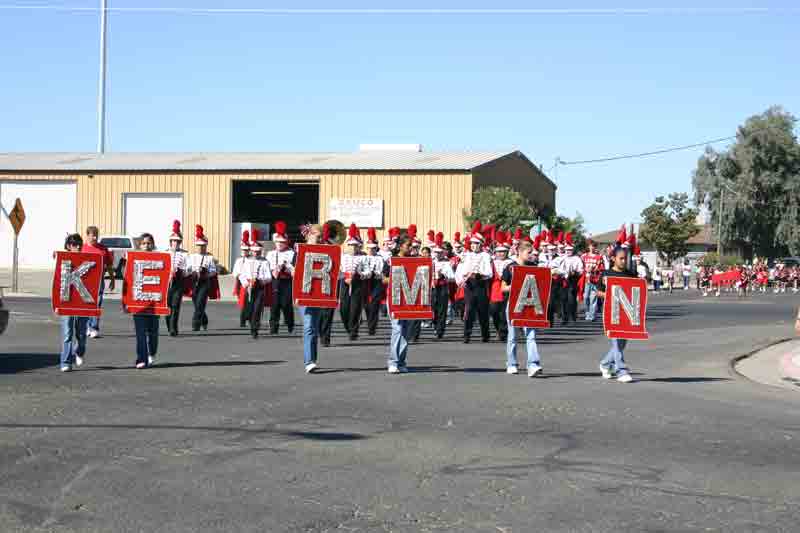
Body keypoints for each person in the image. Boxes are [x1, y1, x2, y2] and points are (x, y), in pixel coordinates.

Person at [596, 246, 638, 383]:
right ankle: (622, 371)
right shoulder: (606, 274)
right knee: (615, 341)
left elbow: (636, 292)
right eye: (621, 258)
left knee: (620, 344)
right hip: (611, 312)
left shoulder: (631, 274)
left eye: (625, 258)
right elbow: (598, 292)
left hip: (626, 312)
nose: (624, 261)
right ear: (613, 259)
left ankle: (605, 364)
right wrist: (611, 295)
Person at [502, 240, 543, 377]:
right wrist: (516, 285)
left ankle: (533, 364)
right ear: (519, 251)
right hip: (514, 304)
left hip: (530, 305)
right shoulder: (509, 267)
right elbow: (503, 288)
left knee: (531, 335)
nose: (531, 255)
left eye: (532, 252)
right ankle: (511, 364)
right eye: (529, 252)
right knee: (513, 336)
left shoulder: (534, 266)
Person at [296, 224, 328, 373]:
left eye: (321, 236)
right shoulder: (299, 251)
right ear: (309, 235)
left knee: (314, 328)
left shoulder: (325, 250)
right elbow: (294, 271)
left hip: (318, 294)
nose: (321, 239)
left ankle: (312, 359)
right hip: (305, 292)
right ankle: (309, 361)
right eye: (318, 236)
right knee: (309, 326)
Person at [455, 221, 493, 343]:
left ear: (481, 244)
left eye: (476, 243)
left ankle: (485, 334)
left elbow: (489, 272)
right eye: (472, 243)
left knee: (483, 311)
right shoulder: (465, 255)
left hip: (481, 284)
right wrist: (461, 281)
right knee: (469, 310)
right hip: (469, 285)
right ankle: (467, 335)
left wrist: (480, 275)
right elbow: (459, 271)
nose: (473, 245)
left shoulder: (486, 256)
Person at [128, 233, 160, 369]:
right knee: (140, 333)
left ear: (153, 244)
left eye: (149, 243)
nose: (146, 246)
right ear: (139, 245)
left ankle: (151, 353)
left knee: (153, 333)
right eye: (144, 243)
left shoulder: (160, 258)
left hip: (154, 302)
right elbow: (127, 280)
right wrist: (126, 302)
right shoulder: (133, 259)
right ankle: (141, 358)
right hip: (138, 303)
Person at [59, 233, 90, 372]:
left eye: (79, 244)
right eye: (73, 244)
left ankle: (79, 351)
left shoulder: (87, 259)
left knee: (82, 334)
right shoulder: (62, 259)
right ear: (68, 246)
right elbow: (56, 284)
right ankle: (65, 362)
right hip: (67, 301)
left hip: (83, 300)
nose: (76, 247)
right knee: (67, 333)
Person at [386, 236, 415, 373]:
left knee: (406, 331)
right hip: (395, 297)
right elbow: (383, 279)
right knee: (397, 328)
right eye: (408, 245)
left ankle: (401, 361)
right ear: (400, 246)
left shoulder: (414, 260)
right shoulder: (391, 260)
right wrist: (396, 277)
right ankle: (393, 361)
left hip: (410, 298)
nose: (411, 248)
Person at [82, 225, 116, 338]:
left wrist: (112, 279)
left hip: (99, 280)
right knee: (87, 304)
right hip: (85, 281)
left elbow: (109, 265)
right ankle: (87, 326)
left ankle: (94, 327)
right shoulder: (82, 248)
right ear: (87, 235)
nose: (95, 237)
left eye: (96, 235)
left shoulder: (103, 249)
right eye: (93, 235)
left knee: (97, 304)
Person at [187, 225, 219, 331]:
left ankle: (195, 324)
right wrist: (194, 272)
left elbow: (214, 271)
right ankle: (204, 319)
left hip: (205, 283)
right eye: (199, 246)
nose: (201, 248)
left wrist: (205, 274)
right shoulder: (191, 257)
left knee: (200, 302)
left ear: (206, 246)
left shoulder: (209, 257)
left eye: (203, 246)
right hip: (194, 282)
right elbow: (187, 269)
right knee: (197, 304)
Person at [241, 232, 272, 338]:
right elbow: (242, 275)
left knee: (257, 309)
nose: (256, 254)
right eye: (254, 252)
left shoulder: (265, 262)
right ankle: (251, 321)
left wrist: (260, 280)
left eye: (258, 252)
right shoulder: (247, 261)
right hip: (249, 287)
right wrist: (246, 283)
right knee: (249, 309)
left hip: (259, 287)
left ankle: (255, 329)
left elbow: (269, 277)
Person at [267, 221, 295, 335]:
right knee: (274, 304)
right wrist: (272, 270)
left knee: (286, 304)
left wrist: (285, 267)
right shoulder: (270, 253)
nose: (279, 244)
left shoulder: (291, 253)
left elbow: (294, 269)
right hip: (274, 281)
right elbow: (266, 267)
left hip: (286, 281)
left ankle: (290, 324)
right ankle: (274, 327)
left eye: (282, 242)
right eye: (278, 242)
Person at [340, 223, 367, 341]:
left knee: (355, 308)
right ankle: (348, 327)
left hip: (357, 283)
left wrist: (359, 275)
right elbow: (338, 269)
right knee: (344, 309)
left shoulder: (363, 257)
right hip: (344, 282)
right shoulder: (342, 256)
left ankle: (353, 331)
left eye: (355, 246)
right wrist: (344, 277)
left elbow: (368, 272)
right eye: (350, 245)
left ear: (358, 246)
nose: (353, 248)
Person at [164, 221, 188, 336]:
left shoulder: (184, 254)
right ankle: (169, 326)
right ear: (170, 241)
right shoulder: (165, 253)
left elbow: (188, 269)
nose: (175, 243)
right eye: (174, 241)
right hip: (166, 284)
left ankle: (174, 328)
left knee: (175, 305)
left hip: (178, 282)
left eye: (178, 241)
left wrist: (181, 271)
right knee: (167, 306)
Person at [489, 232, 513, 341]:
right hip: (494, 289)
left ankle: (503, 332)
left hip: (507, 289)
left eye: (503, 251)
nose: (501, 254)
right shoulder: (491, 262)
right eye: (498, 252)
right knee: (494, 311)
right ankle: (498, 329)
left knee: (504, 312)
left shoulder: (512, 263)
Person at [431, 232, 455, 339]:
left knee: (442, 309)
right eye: (435, 252)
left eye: (439, 253)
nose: (437, 254)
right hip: (432, 287)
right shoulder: (430, 261)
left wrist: (443, 274)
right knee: (433, 308)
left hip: (442, 287)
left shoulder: (446, 262)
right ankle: (435, 324)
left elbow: (452, 277)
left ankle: (440, 330)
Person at [363, 227, 385, 336]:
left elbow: (384, 271)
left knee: (375, 305)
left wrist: (378, 274)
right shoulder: (363, 257)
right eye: (369, 248)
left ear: (376, 248)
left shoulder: (381, 258)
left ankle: (372, 327)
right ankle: (369, 322)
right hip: (366, 282)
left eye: (373, 248)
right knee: (367, 305)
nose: (371, 250)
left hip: (377, 282)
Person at [558, 233, 584, 325]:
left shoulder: (577, 258)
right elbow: (558, 268)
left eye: (570, 250)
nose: (568, 251)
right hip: (562, 280)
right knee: (563, 299)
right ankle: (564, 318)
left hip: (572, 280)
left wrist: (575, 273)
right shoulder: (561, 258)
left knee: (571, 299)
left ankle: (572, 317)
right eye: (567, 250)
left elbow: (581, 270)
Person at [232, 230, 252, 328]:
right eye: (243, 250)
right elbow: (235, 272)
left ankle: (248, 318)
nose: (244, 252)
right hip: (241, 283)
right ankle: (243, 319)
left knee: (249, 301)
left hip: (250, 282)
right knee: (243, 302)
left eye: (246, 250)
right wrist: (240, 277)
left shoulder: (251, 259)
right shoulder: (238, 260)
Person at [580, 239, 604, 320]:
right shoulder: (584, 256)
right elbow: (579, 266)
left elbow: (602, 268)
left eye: (594, 246)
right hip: (586, 279)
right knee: (586, 297)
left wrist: (594, 269)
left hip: (595, 280)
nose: (592, 248)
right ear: (588, 246)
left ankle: (592, 315)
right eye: (591, 246)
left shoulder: (599, 257)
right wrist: (585, 269)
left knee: (593, 298)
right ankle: (587, 312)